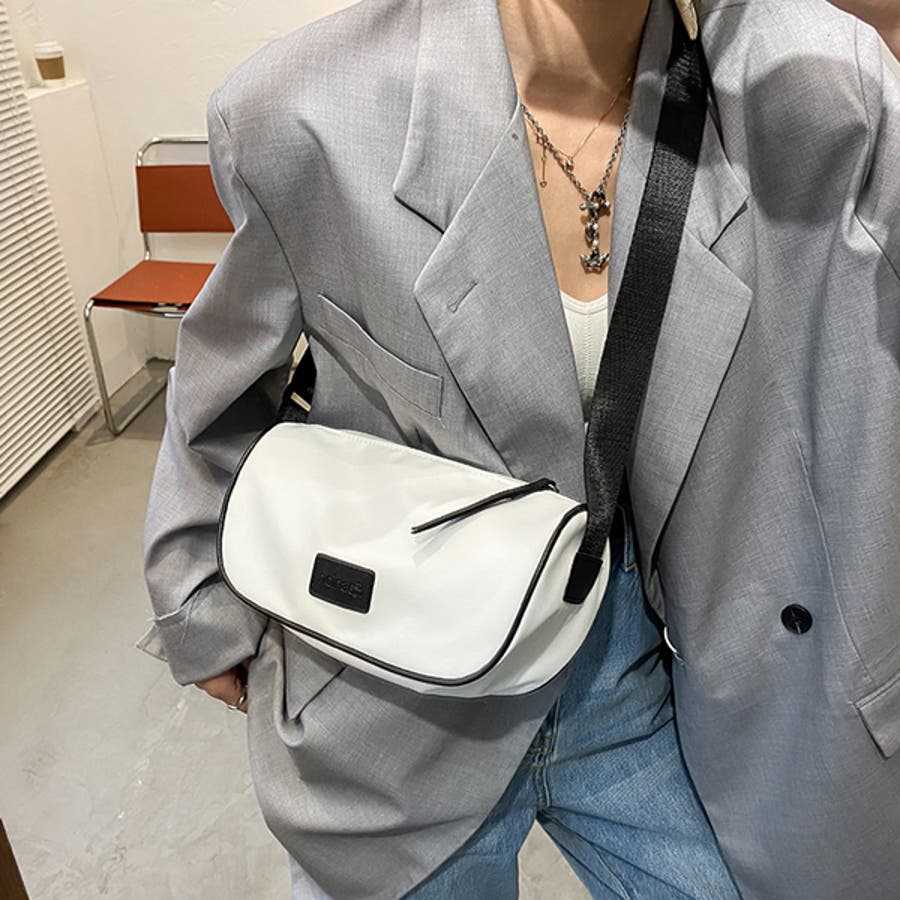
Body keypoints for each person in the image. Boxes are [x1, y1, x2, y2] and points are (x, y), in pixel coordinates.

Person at [135, 0, 900, 897]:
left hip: (628, 671)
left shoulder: (802, 92)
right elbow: (222, 382)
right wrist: (199, 604)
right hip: (397, 697)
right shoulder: (301, 110)